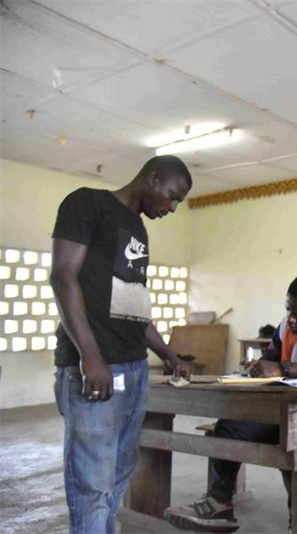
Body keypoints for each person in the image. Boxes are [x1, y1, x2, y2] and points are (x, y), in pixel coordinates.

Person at [50, 155, 193, 533]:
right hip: (96, 369)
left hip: (134, 370)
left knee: (116, 478)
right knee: (92, 485)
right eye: (172, 196)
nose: (173, 207)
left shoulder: (139, 231)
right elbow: (63, 278)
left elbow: (134, 308)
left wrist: (167, 354)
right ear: (153, 176)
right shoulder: (87, 203)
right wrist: (90, 357)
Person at [165, 273, 297, 534]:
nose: (292, 319)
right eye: (288, 311)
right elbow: (270, 359)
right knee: (228, 428)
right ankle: (219, 505)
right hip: (285, 411)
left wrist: (283, 368)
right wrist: (258, 367)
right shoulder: (286, 327)